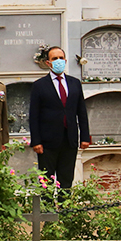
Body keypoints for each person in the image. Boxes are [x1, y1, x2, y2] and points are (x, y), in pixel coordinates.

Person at [29, 46, 91, 190]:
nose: (58, 61)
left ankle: (65, 210)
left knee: (66, 178)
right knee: (46, 180)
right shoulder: (39, 85)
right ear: (48, 63)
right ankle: (47, 211)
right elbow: (34, 115)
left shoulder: (74, 83)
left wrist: (85, 137)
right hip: (47, 141)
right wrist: (36, 141)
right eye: (54, 59)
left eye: (61, 58)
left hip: (69, 140)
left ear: (65, 60)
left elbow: (81, 111)